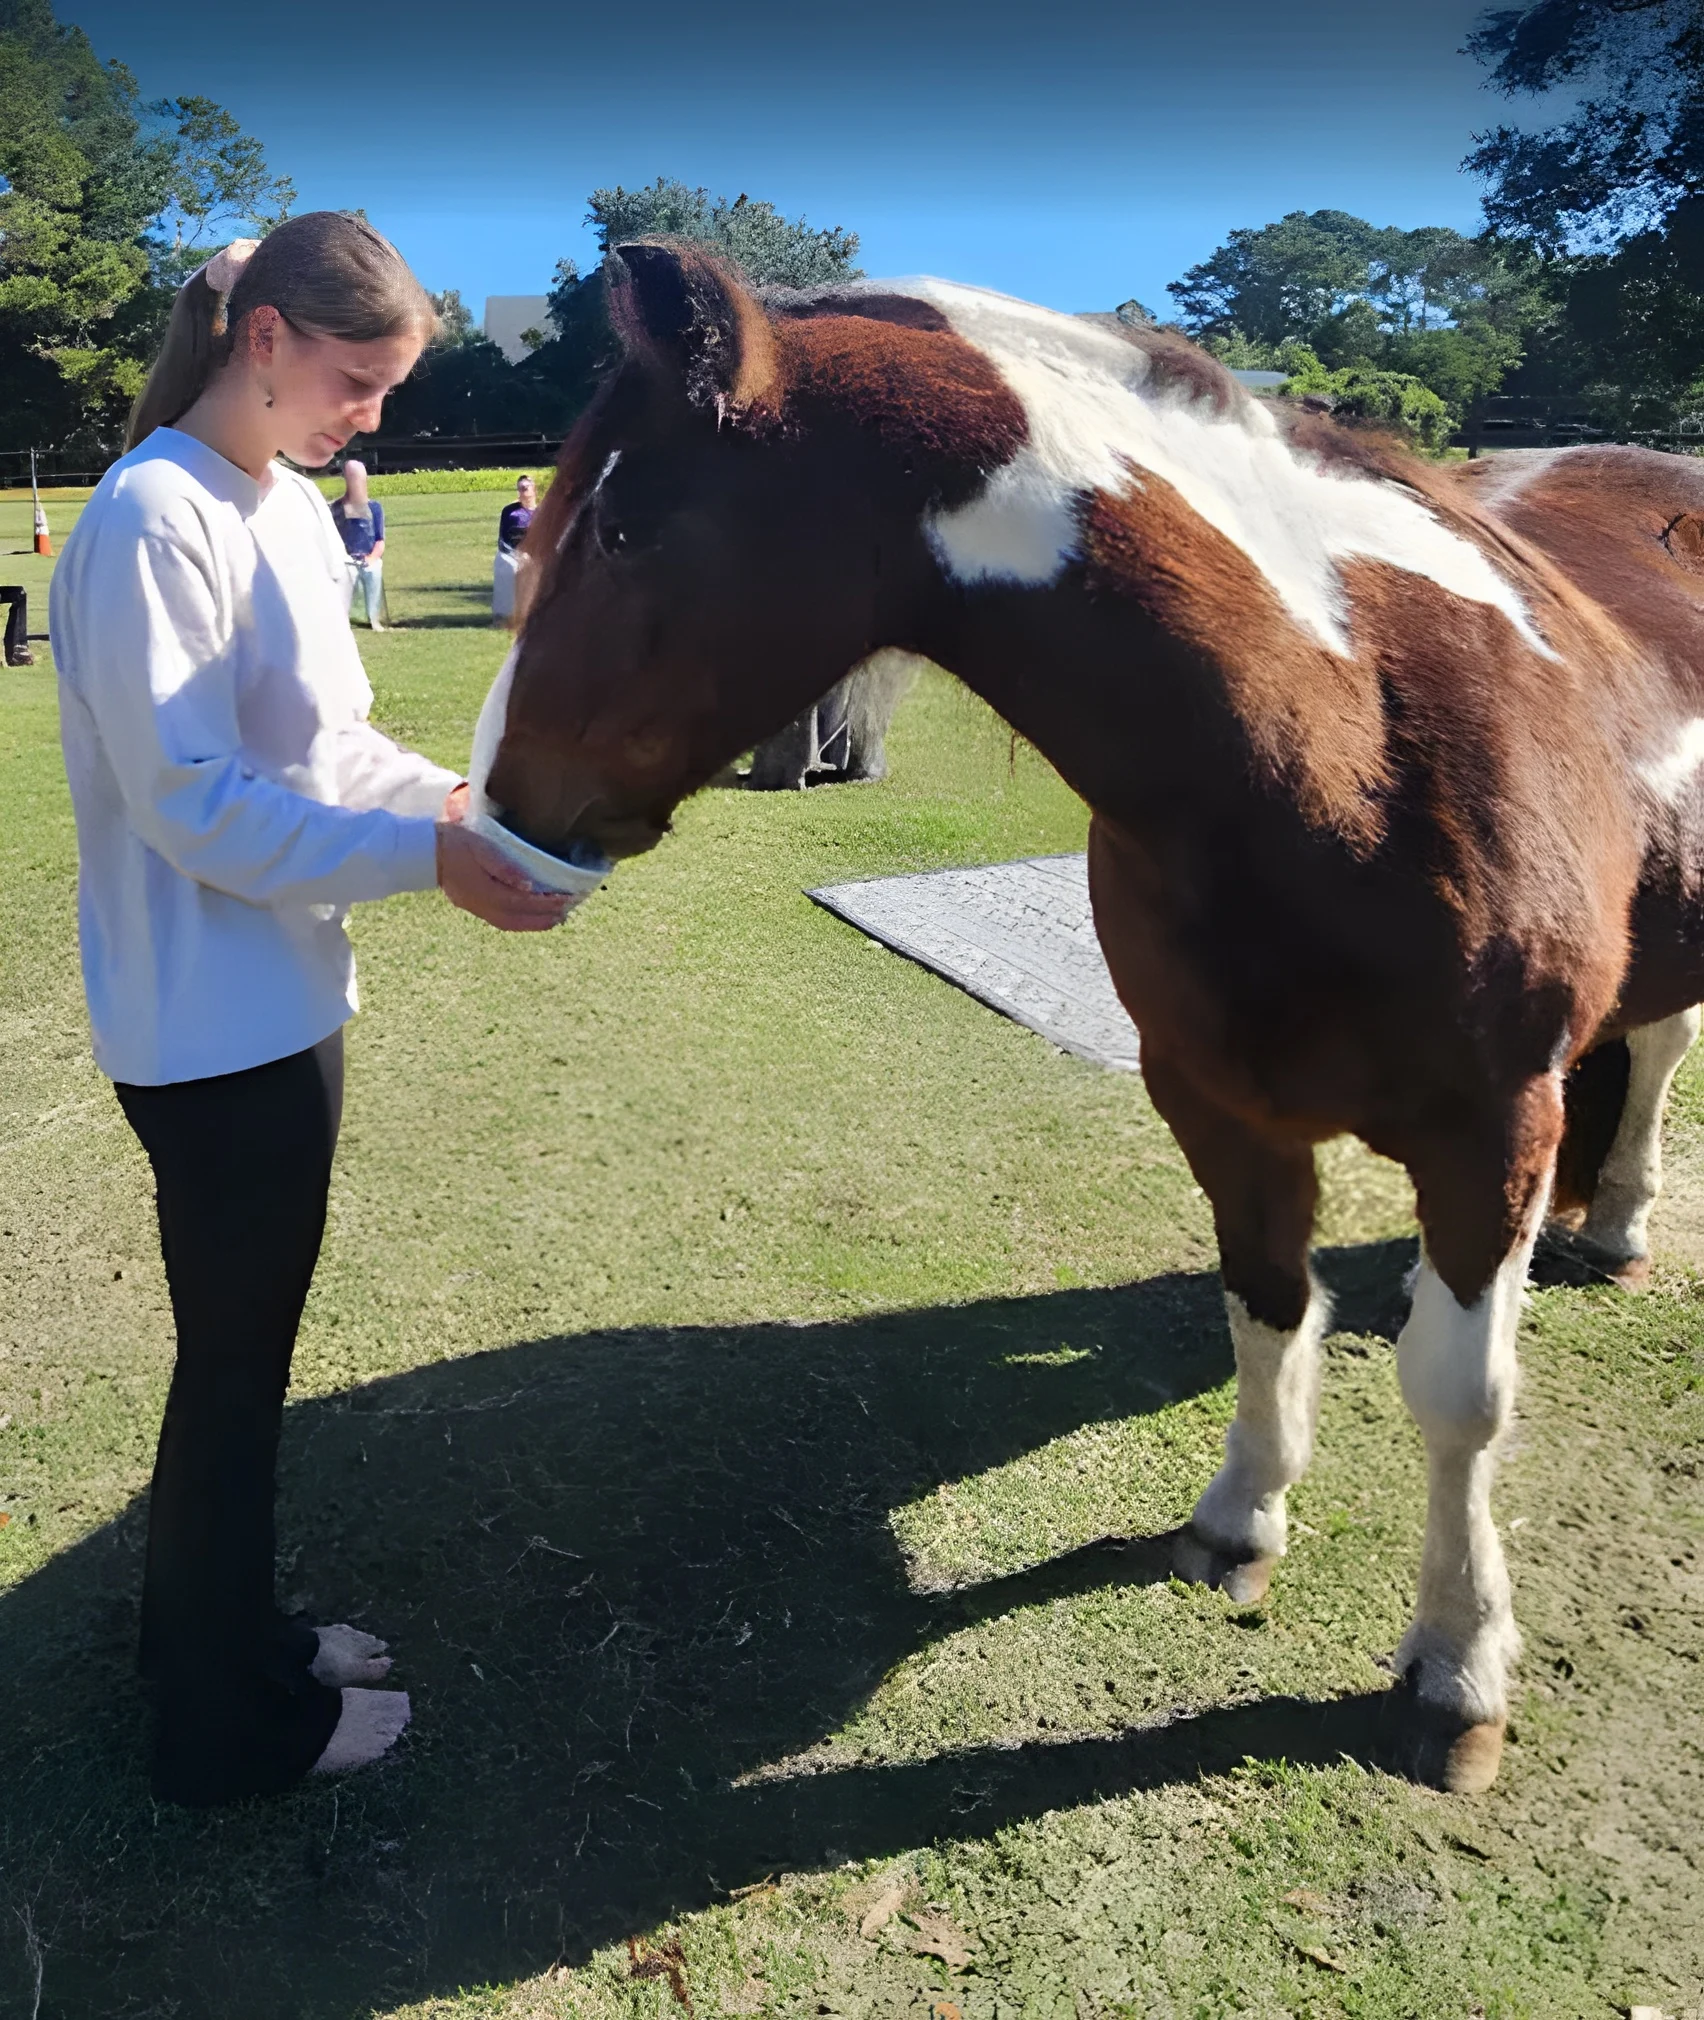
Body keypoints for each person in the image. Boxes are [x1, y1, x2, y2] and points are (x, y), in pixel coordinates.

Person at [48, 212, 573, 1807]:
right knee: (230, 1378)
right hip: (201, 1026)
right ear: (262, 338)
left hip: (285, 998)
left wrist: (449, 805)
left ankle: (223, 1644)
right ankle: (227, 1733)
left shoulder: (277, 505)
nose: (373, 417)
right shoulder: (152, 512)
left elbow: (324, 746)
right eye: (357, 380)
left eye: (388, 390)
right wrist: (428, 860)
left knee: (246, 1365)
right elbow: (191, 803)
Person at [331, 456, 386, 628]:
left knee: (374, 571)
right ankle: (343, 617)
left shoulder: (375, 508)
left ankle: (373, 618)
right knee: (346, 573)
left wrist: (372, 558)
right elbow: (331, 538)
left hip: (368, 557)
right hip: (345, 559)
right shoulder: (335, 508)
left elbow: (380, 540)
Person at [491, 473, 536, 622]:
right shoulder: (510, 512)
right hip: (511, 554)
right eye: (519, 489)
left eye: (525, 488)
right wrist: (517, 555)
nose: (522, 492)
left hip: (534, 555)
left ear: (534, 490)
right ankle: (505, 616)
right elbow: (503, 538)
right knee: (512, 569)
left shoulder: (541, 513)